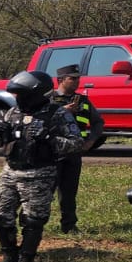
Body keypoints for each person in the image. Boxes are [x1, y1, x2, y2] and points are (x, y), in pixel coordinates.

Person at [0, 70, 85, 262]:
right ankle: (10, 257)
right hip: (11, 171)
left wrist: (49, 138)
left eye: (23, 95)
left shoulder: (57, 114)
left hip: (39, 173)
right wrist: (0, 135)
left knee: (33, 220)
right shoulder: (13, 113)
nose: (19, 99)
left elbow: (76, 144)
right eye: (17, 95)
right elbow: (0, 144)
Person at [49, 65, 105, 234]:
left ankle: (69, 225)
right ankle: (31, 223)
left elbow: (98, 122)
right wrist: (61, 111)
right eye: (72, 78)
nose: (77, 81)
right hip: (52, 152)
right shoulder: (47, 100)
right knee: (45, 191)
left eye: (78, 78)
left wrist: (91, 141)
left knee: (69, 192)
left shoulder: (83, 101)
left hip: (74, 153)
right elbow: (38, 120)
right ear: (60, 80)